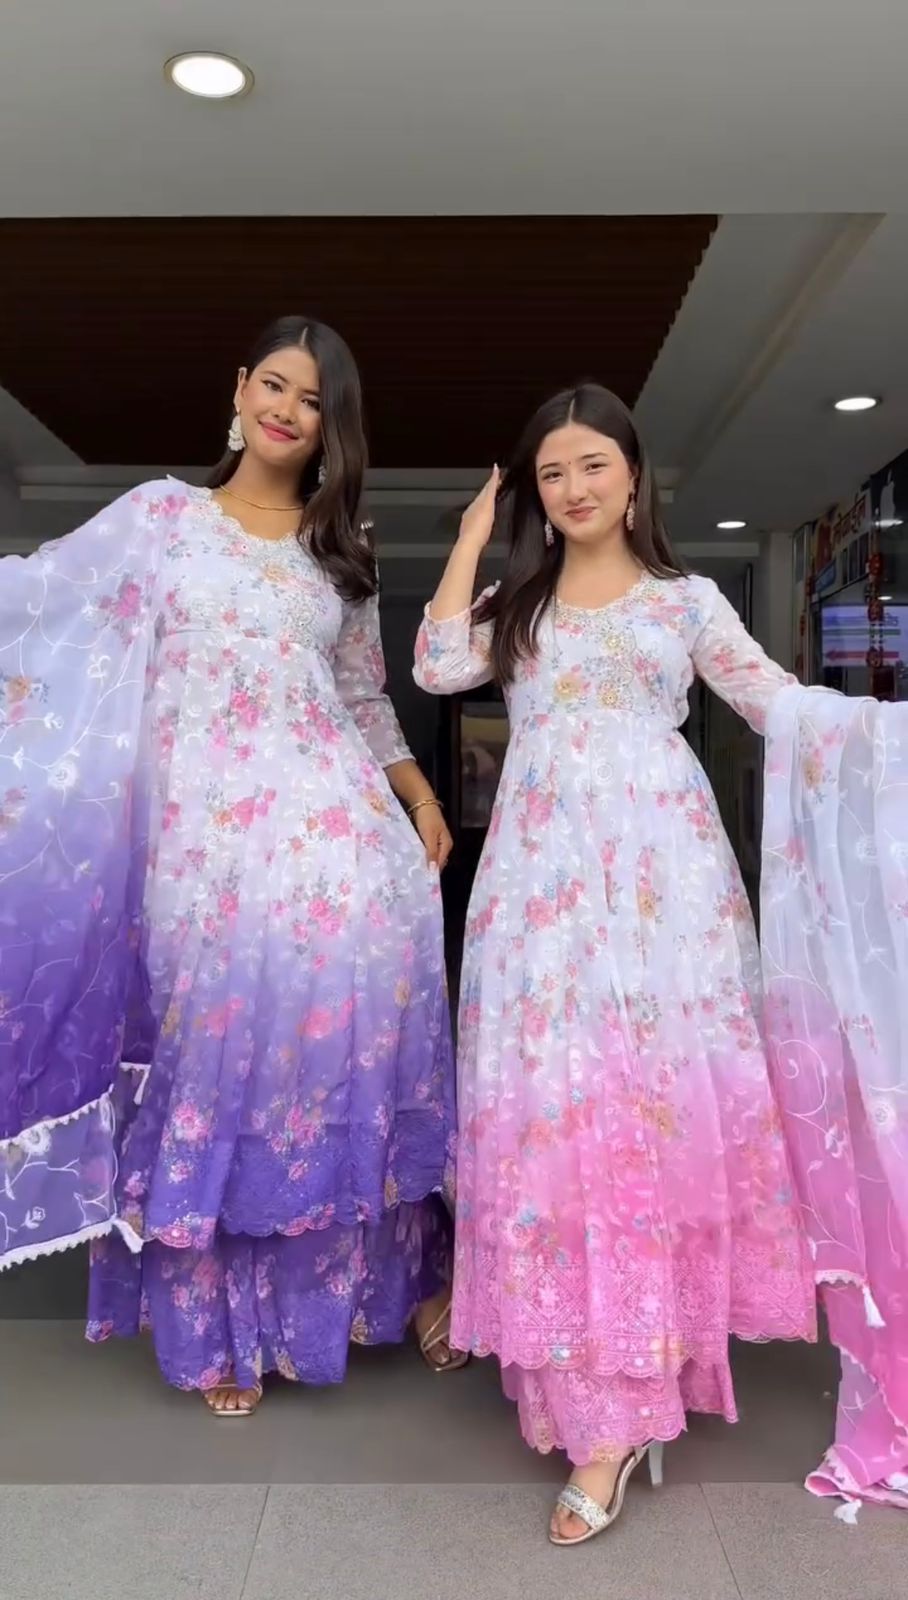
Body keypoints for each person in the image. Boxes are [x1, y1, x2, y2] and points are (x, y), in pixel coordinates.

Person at [413, 384, 908, 1538]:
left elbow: (778, 706)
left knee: (643, 1114)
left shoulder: (686, 602)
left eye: (591, 464)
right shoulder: (517, 603)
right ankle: (588, 1387)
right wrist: (474, 536)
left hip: (663, 894)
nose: (572, 488)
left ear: (633, 475)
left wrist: (878, 734)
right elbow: (435, 665)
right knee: (557, 1118)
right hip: (537, 895)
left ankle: (629, 1398)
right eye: (550, 473)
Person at [0, 314, 464, 1414]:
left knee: (326, 1066)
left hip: (335, 842)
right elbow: (47, 602)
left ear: (333, 429)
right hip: (200, 854)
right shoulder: (163, 518)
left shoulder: (339, 551)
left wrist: (419, 795)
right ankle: (217, 1327)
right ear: (241, 387)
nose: (288, 410)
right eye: (276, 385)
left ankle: (350, 1303)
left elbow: (359, 696)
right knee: (216, 1066)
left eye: (314, 401)